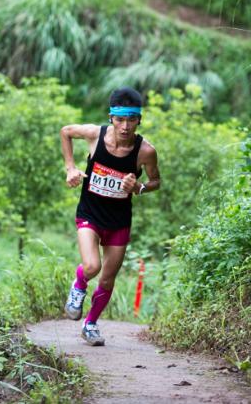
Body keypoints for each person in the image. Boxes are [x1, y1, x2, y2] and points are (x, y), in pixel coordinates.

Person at [60, 87, 160, 346]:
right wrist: (70, 168)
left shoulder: (145, 151)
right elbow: (66, 132)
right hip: (90, 214)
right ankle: (79, 285)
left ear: (139, 119)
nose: (125, 126)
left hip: (119, 221)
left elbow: (155, 181)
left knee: (107, 278)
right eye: (119, 119)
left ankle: (90, 324)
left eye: (131, 120)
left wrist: (138, 187)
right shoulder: (95, 136)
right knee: (92, 267)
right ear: (111, 118)